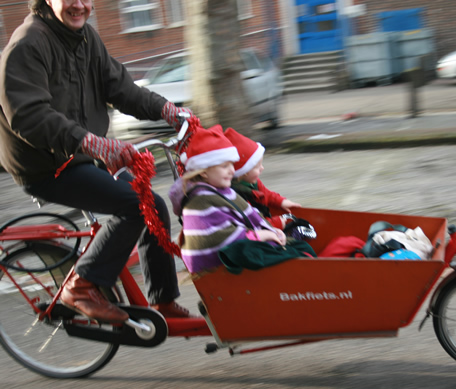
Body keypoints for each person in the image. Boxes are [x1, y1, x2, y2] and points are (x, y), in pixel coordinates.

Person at [0, 0, 194, 322]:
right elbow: (29, 116)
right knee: (134, 205)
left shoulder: (87, 39)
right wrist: (93, 143)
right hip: (46, 165)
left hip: (80, 156)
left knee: (154, 206)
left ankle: (163, 303)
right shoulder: (28, 43)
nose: (79, 5)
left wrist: (170, 112)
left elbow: (122, 89)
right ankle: (81, 286)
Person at [168, 123, 287, 275]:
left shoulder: (218, 190)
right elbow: (225, 240)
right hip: (219, 269)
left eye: (232, 164)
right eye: (225, 166)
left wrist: (271, 230)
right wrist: (266, 234)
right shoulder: (201, 201)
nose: (232, 170)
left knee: (291, 246)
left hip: (233, 258)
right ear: (204, 172)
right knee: (294, 252)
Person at [224, 127, 301, 229]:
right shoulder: (237, 194)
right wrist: (274, 223)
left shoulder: (254, 183)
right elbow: (252, 220)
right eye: (257, 166)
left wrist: (281, 201)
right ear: (244, 171)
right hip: (259, 229)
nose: (262, 168)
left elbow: (267, 194)